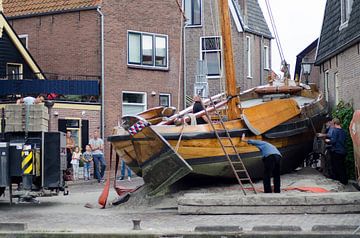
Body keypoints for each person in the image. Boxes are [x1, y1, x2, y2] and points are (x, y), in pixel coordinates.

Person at [326, 118, 348, 185]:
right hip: (343, 151)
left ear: (335, 123)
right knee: (342, 166)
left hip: (337, 151)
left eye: (332, 124)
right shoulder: (343, 131)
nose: (332, 125)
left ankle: (340, 181)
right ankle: (345, 181)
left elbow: (333, 141)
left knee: (336, 167)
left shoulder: (335, 131)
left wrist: (328, 141)